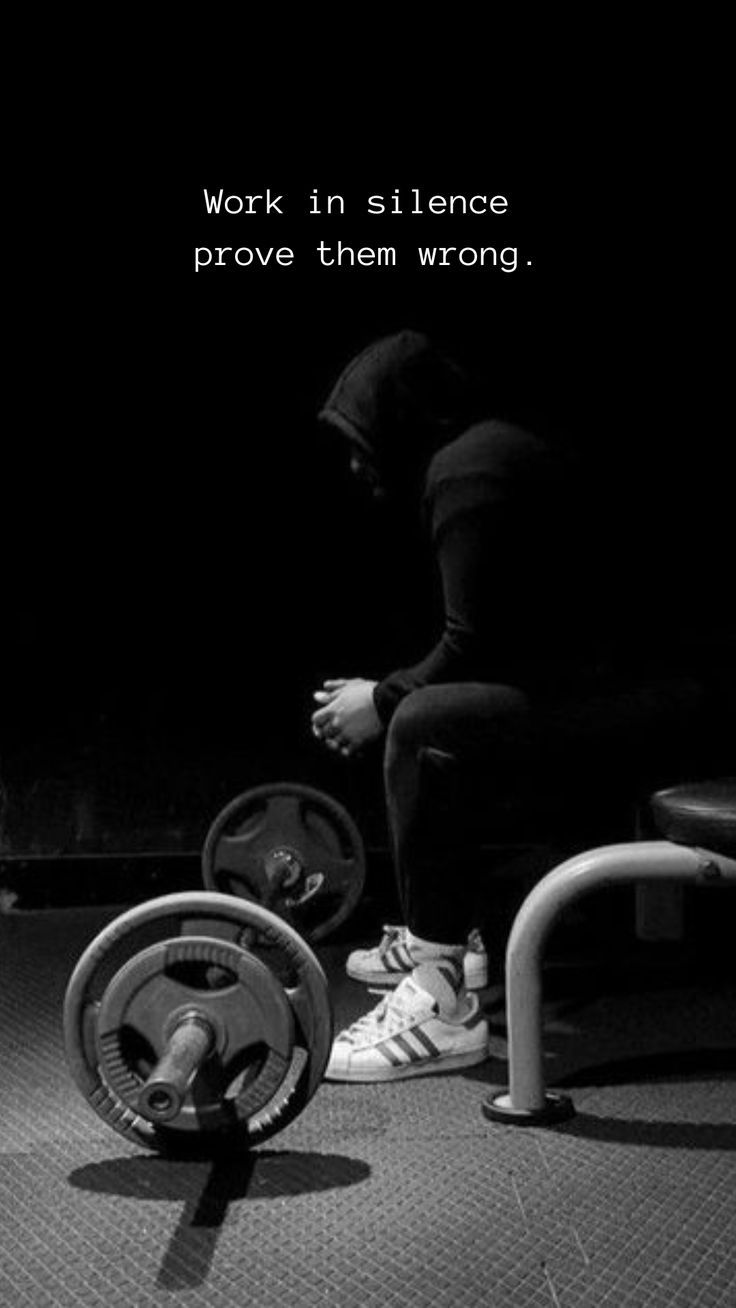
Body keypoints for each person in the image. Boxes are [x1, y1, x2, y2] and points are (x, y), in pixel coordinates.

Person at [310, 329, 702, 1084]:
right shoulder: (477, 456)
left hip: (656, 702)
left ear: (405, 418)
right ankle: (454, 938)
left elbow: (473, 646)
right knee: (441, 715)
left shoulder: (470, 471)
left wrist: (382, 699)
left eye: (360, 438)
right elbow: (511, 641)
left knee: (423, 724)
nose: (355, 463)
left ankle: (439, 997)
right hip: (613, 686)